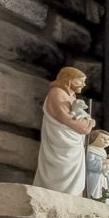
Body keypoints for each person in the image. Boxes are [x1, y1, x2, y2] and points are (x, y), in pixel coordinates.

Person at [35, 66, 95, 194]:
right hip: (62, 138)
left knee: (73, 166)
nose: (83, 84)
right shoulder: (57, 93)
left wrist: (86, 122)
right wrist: (87, 124)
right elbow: (67, 119)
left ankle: (71, 193)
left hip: (73, 139)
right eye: (80, 81)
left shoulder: (71, 96)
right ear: (69, 79)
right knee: (61, 166)